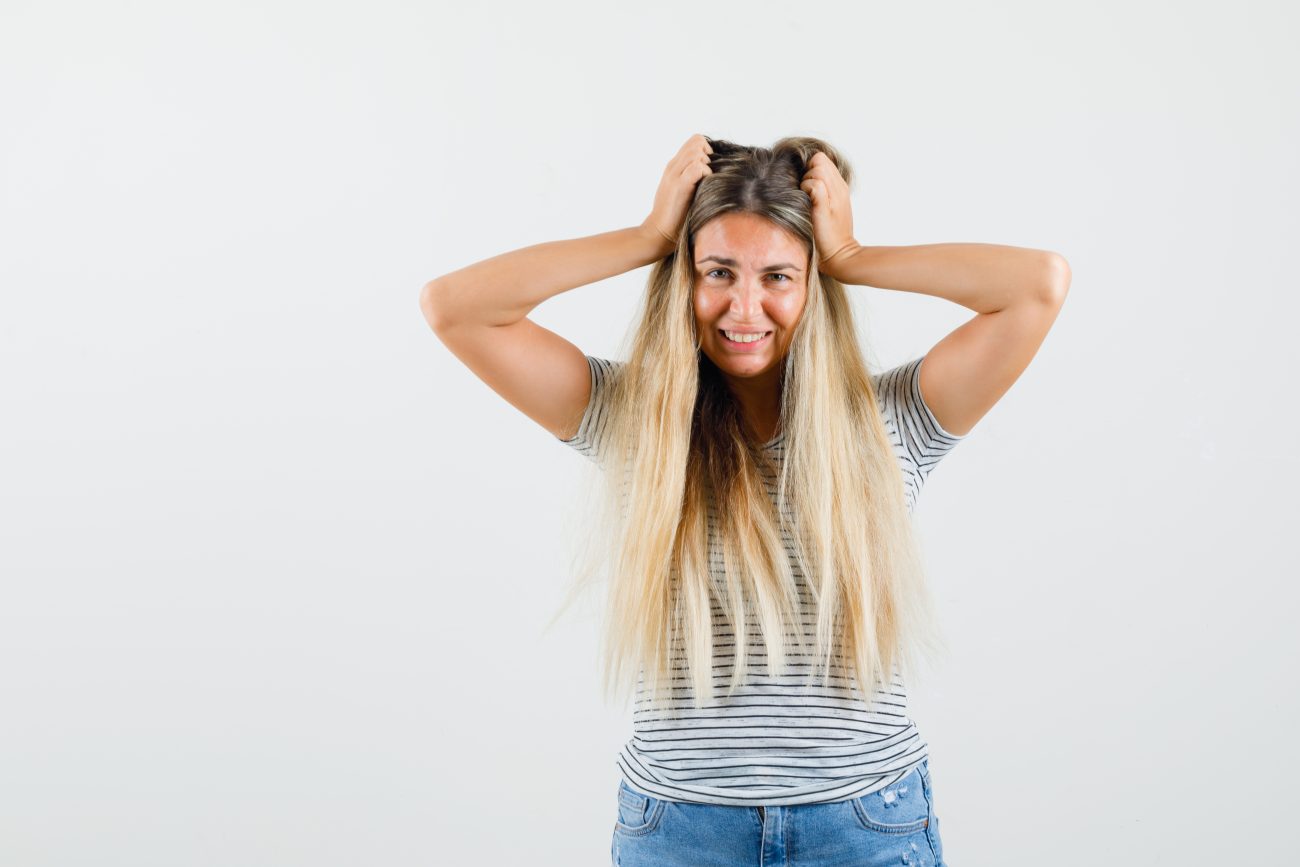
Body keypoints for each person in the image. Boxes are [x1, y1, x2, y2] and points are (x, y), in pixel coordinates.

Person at [419, 134, 1070, 866]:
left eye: (780, 276)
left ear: (812, 286)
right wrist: (645, 238)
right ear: (684, 278)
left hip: (862, 824)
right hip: (682, 829)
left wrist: (853, 255)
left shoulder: (889, 422)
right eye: (718, 271)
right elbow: (455, 308)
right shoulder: (634, 418)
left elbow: (1037, 285)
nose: (745, 306)